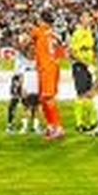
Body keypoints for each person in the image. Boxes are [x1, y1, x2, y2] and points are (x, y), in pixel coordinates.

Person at [32, 11, 65, 141]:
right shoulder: (54, 34)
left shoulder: (39, 31)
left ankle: (58, 127)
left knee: (48, 98)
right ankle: (51, 126)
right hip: (53, 67)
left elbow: (26, 40)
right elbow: (60, 51)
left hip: (46, 68)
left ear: (42, 20)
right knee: (44, 98)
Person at [69, 13, 98, 134]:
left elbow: (93, 49)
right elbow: (72, 52)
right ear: (81, 19)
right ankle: (79, 123)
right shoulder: (77, 34)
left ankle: (92, 122)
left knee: (89, 93)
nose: (88, 20)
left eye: (89, 18)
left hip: (89, 66)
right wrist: (86, 64)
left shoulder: (90, 33)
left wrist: (94, 63)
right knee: (81, 94)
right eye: (86, 18)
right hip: (80, 66)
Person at [15, 44, 42, 135]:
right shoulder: (23, 63)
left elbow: (42, 76)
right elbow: (21, 77)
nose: (32, 52)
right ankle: (25, 127)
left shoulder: (39, 62)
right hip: (27, 88)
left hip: (37, 88)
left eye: (34, 50)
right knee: (26, 108)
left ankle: (36, 127)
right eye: (30, 50)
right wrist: (22, 89)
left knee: (37, 108)